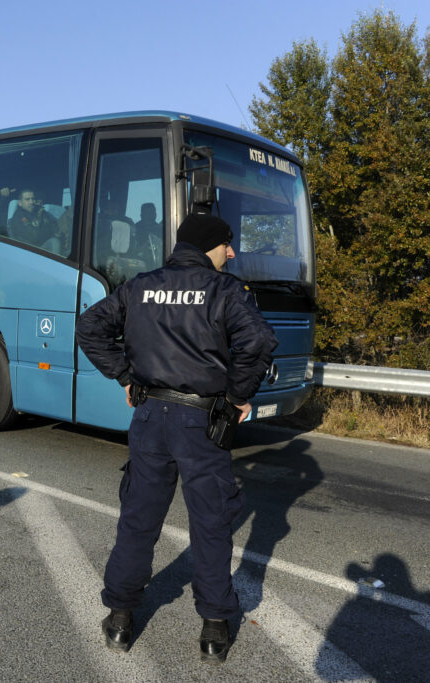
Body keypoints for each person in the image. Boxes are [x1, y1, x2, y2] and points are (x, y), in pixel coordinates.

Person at [75, 213, 278, 664]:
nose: (232, 253)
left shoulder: (141, 285)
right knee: (211, 523)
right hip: (201, 422)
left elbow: (90, 327)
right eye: (227, 244)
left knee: (138, 518)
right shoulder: (224, 290)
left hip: (149, 416)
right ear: (208, 245)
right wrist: (237, 397)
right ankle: (214, 628)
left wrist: (125, 375)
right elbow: (259, 342)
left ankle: (120, 619)